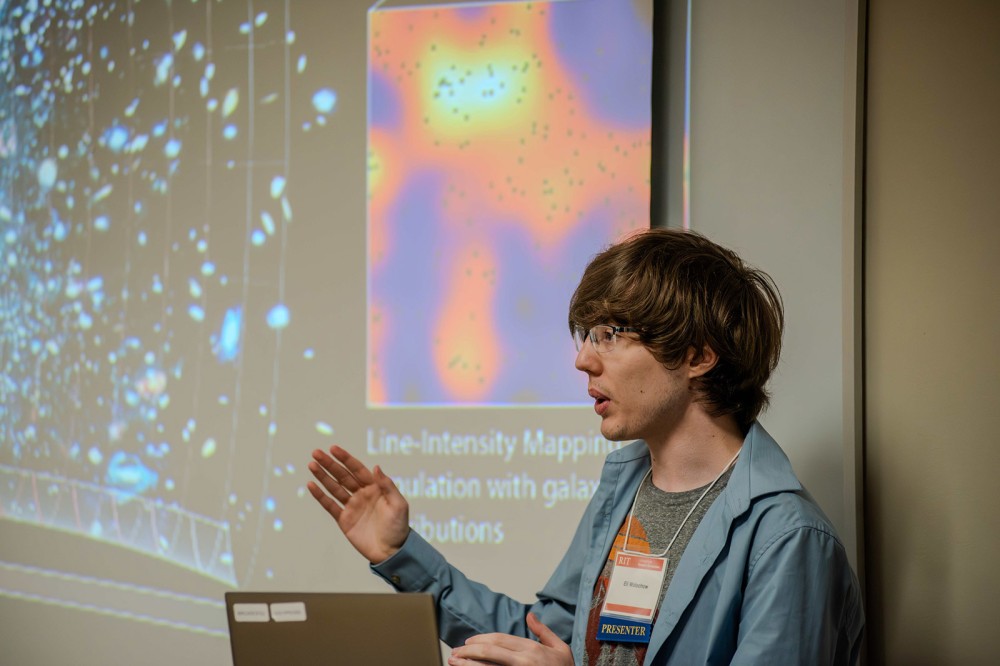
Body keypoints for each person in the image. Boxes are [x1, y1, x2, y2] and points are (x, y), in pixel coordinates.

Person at [307, 228, 864, 665]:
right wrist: (398, 553)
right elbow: (542, 638)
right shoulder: (625, 488)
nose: (583, 360)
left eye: (612, 335)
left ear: (698, 356)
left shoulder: (789, 538)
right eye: (587, 335)